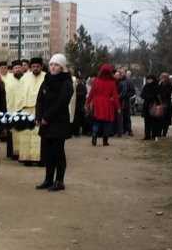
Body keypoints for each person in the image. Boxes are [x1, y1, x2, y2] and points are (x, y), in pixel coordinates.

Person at [34, 54, 75, 191]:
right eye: (51, 64)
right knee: (47, 153)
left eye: (56, 65)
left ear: (62, 67)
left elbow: (61, 104)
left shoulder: (66, 83)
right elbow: (40, 99)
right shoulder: (46, 80)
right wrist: (39, 117)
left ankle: (59, 181)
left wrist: (47, 117)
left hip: (58, 122)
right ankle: (48, 179)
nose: (53, 67)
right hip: (45, 123)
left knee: (58, 153)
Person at [16, 57, 45, 165]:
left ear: (41, 67)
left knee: (39, 135)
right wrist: (18, 109)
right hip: (26, 109)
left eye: (37, 66)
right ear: (30, 67)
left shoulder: (46, 77)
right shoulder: (24, 78)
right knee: (26, 134)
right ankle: (26, 158)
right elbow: (19, 93)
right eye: (33, 66)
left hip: (40, 109)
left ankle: (40, 158)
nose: (35, 68)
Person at [84, 63, 120, 146]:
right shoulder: (112, 82)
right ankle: (105, 140)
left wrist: (87, 102)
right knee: (107, 123)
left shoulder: (96, 80)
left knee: (97, 121)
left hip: (97, 102)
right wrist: (118, 107)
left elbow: (91, 93)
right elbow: (115, 96)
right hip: (108, 104)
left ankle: (94, 133)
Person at [140, 74, 163, 141]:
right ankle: (147, 135)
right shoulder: (146, 86)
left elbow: (158, 95)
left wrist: (151, 97)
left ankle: (154, 134)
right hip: (147, 105)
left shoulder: (156, 86)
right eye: (148, 79)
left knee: (154, 121)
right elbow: (142, 95)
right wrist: (148, 96)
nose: (149, 80)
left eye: (150, 79)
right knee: (146, 121)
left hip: (154, 105)